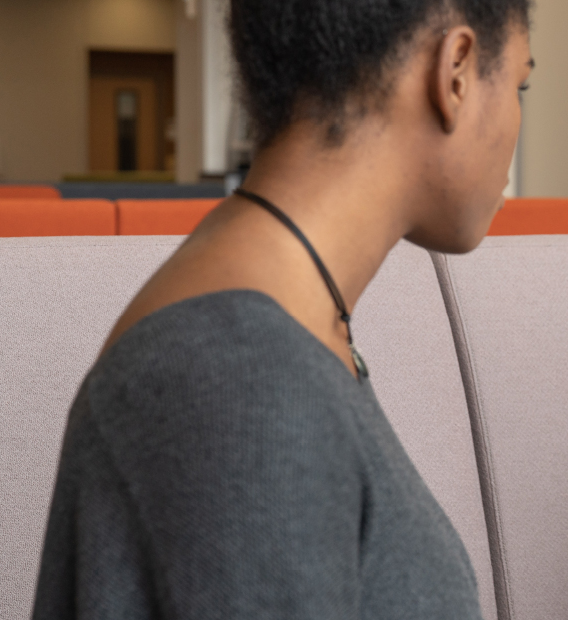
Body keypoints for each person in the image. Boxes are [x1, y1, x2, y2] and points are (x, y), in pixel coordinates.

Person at [31, 0, 531, 617]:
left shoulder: (281, 328)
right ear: (454, 71)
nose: (515, 117)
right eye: (520, 84)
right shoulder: (238, 377)